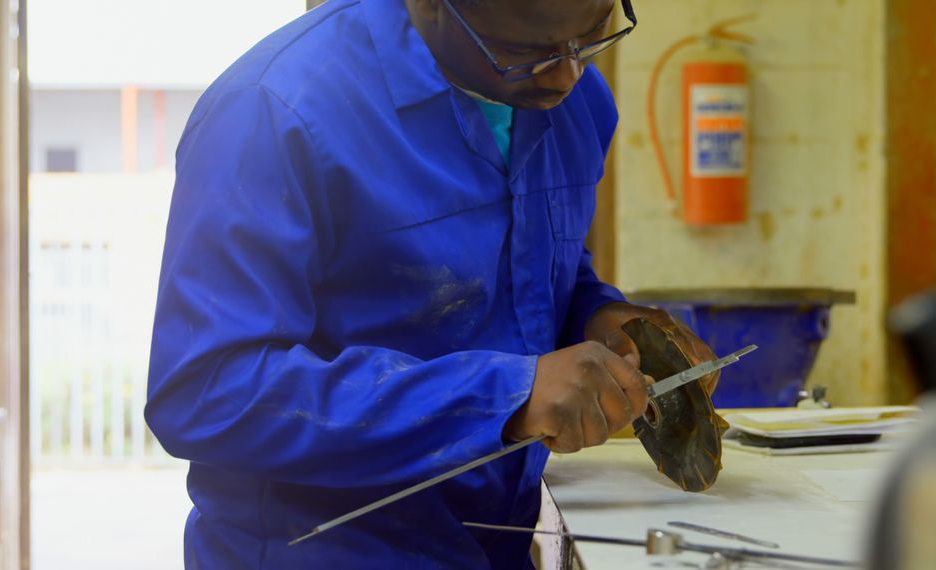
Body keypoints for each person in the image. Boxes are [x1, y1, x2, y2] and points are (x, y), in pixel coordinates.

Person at [145, 0, 718, 567]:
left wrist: (597, 315)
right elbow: (205, 393)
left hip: (494, 542)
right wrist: (506, 396)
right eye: (526, 52)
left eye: (592, 36)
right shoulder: (272, 112)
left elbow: (528, 270)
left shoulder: (578, 102)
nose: (568, 73)